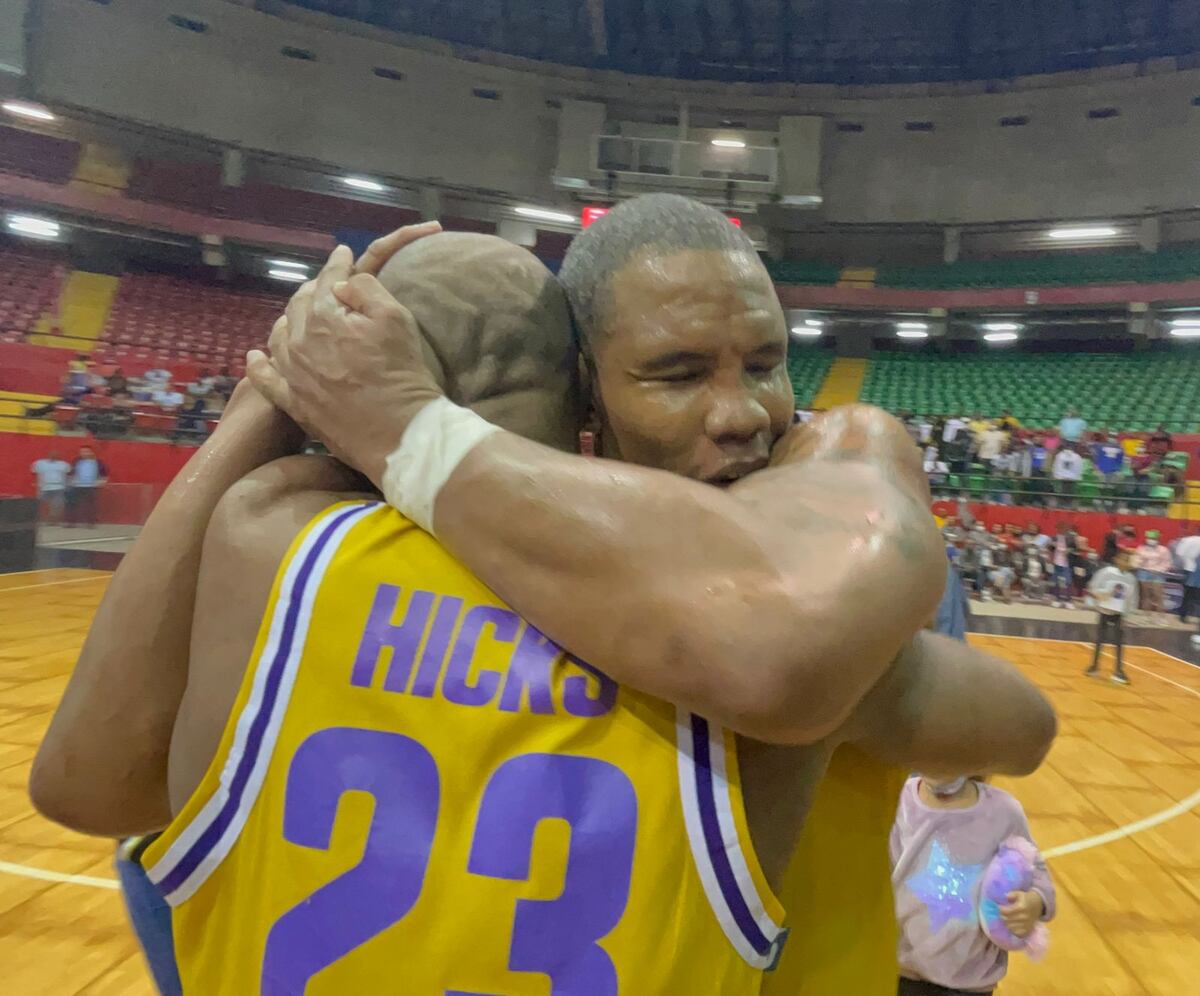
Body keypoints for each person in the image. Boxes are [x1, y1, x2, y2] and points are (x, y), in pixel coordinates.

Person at [33, 210, 1055, 994]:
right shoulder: (785, 607)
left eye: (766, 363)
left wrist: (300, 388)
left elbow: (92, 792)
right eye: (676, 374)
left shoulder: (277, 536)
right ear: (585, 392)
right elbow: (1011, 722)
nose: (743, 413)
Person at [891, 773, 1055, 996]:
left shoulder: (1004, 812)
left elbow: (1038, 872)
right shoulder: (896, 800)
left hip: (970, 982)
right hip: (902, 972)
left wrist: (1034, 902)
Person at [1086, 547, 1138, 685]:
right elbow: (1093, 587)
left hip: (1119, 613)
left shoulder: (1131, 579)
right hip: (1104, 610)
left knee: (1118, 642)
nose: (1125, 562)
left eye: (1128, 560)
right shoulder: (1106, 572)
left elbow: (1132, 598)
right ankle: (1094, 666)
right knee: (1100, 639)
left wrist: (1127, 615)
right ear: (1116, 560)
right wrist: (1100, 595)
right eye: (1123, 559)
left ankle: (1118, 670)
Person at [1133, 529, 1172, 617]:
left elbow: (1167, 563)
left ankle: (1161, 615)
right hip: (1144, 572)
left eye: (1153, 538)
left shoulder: (1163, 550)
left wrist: (1159, 570)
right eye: (1149, 538)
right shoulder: (1141, 549)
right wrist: (1139, 563)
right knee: (1145, 595)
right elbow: (1136, 560)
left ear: (1158, 539)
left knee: (1158, 595)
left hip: (1158, 574)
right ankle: (1146, 615)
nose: (1151, 540)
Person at [67, 446, 107, 527]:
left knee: (90, 505)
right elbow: (71, 472)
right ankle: (71, 522)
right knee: (73, 504)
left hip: (90, 486)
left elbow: (104, 474)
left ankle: (90, 523)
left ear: (91, 452)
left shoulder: (98, 462)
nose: (83, 453)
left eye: (86, 451)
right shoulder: (76, 461)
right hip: (77, 486)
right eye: (82, 452)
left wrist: (101, 482)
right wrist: (71, 481)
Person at [31, 450, 72, 524]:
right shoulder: (39, 463)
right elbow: (34, 473)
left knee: (57, 505)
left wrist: (67, 486)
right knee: (39, 504)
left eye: (55, 454)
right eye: (51, 454)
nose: (53, 456)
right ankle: (40, 519)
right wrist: (37, 485)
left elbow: (69, 474)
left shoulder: (64, 464)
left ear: (58, 456)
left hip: (59, 487)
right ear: (47, 455)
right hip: (44, 487)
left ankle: (52, 520)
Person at [1175, 527, 1200, 622]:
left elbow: (1179, 553)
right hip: (1196, 571)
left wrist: (1187, 562)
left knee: (1187, 594)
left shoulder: (1187, 540)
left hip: (1188, 569)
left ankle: (1183, 616)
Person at [1050, 522, 1075, 608]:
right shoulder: (1054, 538)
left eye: (1063, 528)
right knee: (1056, 581)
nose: (1061, 530)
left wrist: (1069, 550)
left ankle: (1069, 600)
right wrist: (1051, 545)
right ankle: (1057, 599)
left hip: (1066, 563)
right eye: (1060, 528)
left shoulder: (1071, 538)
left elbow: (1075, 549)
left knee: (1068, 582)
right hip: (1056, 562)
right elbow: (1050, 549)